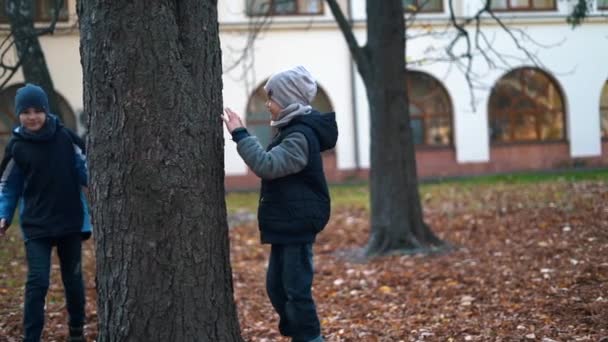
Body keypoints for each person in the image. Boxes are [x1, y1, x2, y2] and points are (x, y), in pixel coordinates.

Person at [222, 66, 337, 342]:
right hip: (286, 223)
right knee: (276, 288)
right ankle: (298, 332)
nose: (267, 104)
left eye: (271, 98)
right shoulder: (290, 130)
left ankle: (309, 337)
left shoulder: (300, 136)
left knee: (296, 291)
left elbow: (268, 165)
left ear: (287, 101)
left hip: (298, 223)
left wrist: (240, 134)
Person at [0, 84, 91, 342]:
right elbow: (8, 185)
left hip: (69, 221)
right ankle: (31, 337)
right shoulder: (17, 146)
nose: (32, 116)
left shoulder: (66, 138)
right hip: (36, 224)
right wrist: (4, 214)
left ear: (46, 111)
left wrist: (94, 186)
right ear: (19, 114)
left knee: (73, 281)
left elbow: (86, 167)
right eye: (26, 111)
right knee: (37, 282)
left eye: (37, 110)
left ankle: (76, 330)